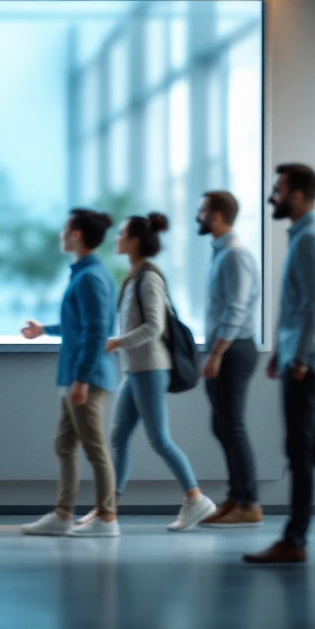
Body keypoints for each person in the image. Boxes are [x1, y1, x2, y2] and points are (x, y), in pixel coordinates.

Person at [245, 164, 315, 565]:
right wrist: (282, 351)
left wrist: (301, 357)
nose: (272, 196)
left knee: (301, 452)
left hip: (312, 363)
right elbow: (304, 304)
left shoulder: (310, 240)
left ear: (299, 195)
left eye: (279, 190)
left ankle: (295, 540)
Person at [100, 213, 216, 532]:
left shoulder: (149, 278)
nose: (116, 238)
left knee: (159, 439)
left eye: (121, 233)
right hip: (136, 369)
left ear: (135, 240)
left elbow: (155, 326)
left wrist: (117, 342)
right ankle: (107, 509)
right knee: (119, 437)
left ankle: (196, 499)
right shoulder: (134, 276)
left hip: (150, 368)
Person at [20, 209, 119, 538]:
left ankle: (107, 518)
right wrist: (44, 330)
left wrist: (82, 379)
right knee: (64, 445)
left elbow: (97, 332)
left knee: (95, 449)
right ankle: (63, 515)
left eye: (65, 230)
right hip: (77, 376)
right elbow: (78, 325)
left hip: (86, 378)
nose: (61, 235)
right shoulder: (84, 275)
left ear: (76, 235)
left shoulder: (90, 278)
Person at [195, 191, 263, 528]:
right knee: (222, 424)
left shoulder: (234, 255)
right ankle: (237, 497)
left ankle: (248, 502)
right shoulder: (222, 254)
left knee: (232, 425)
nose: (198, 216)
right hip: (225, 349)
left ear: (217, 216)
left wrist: (216, 354)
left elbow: (235, 310)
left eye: (203, 211)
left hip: (233, 350)